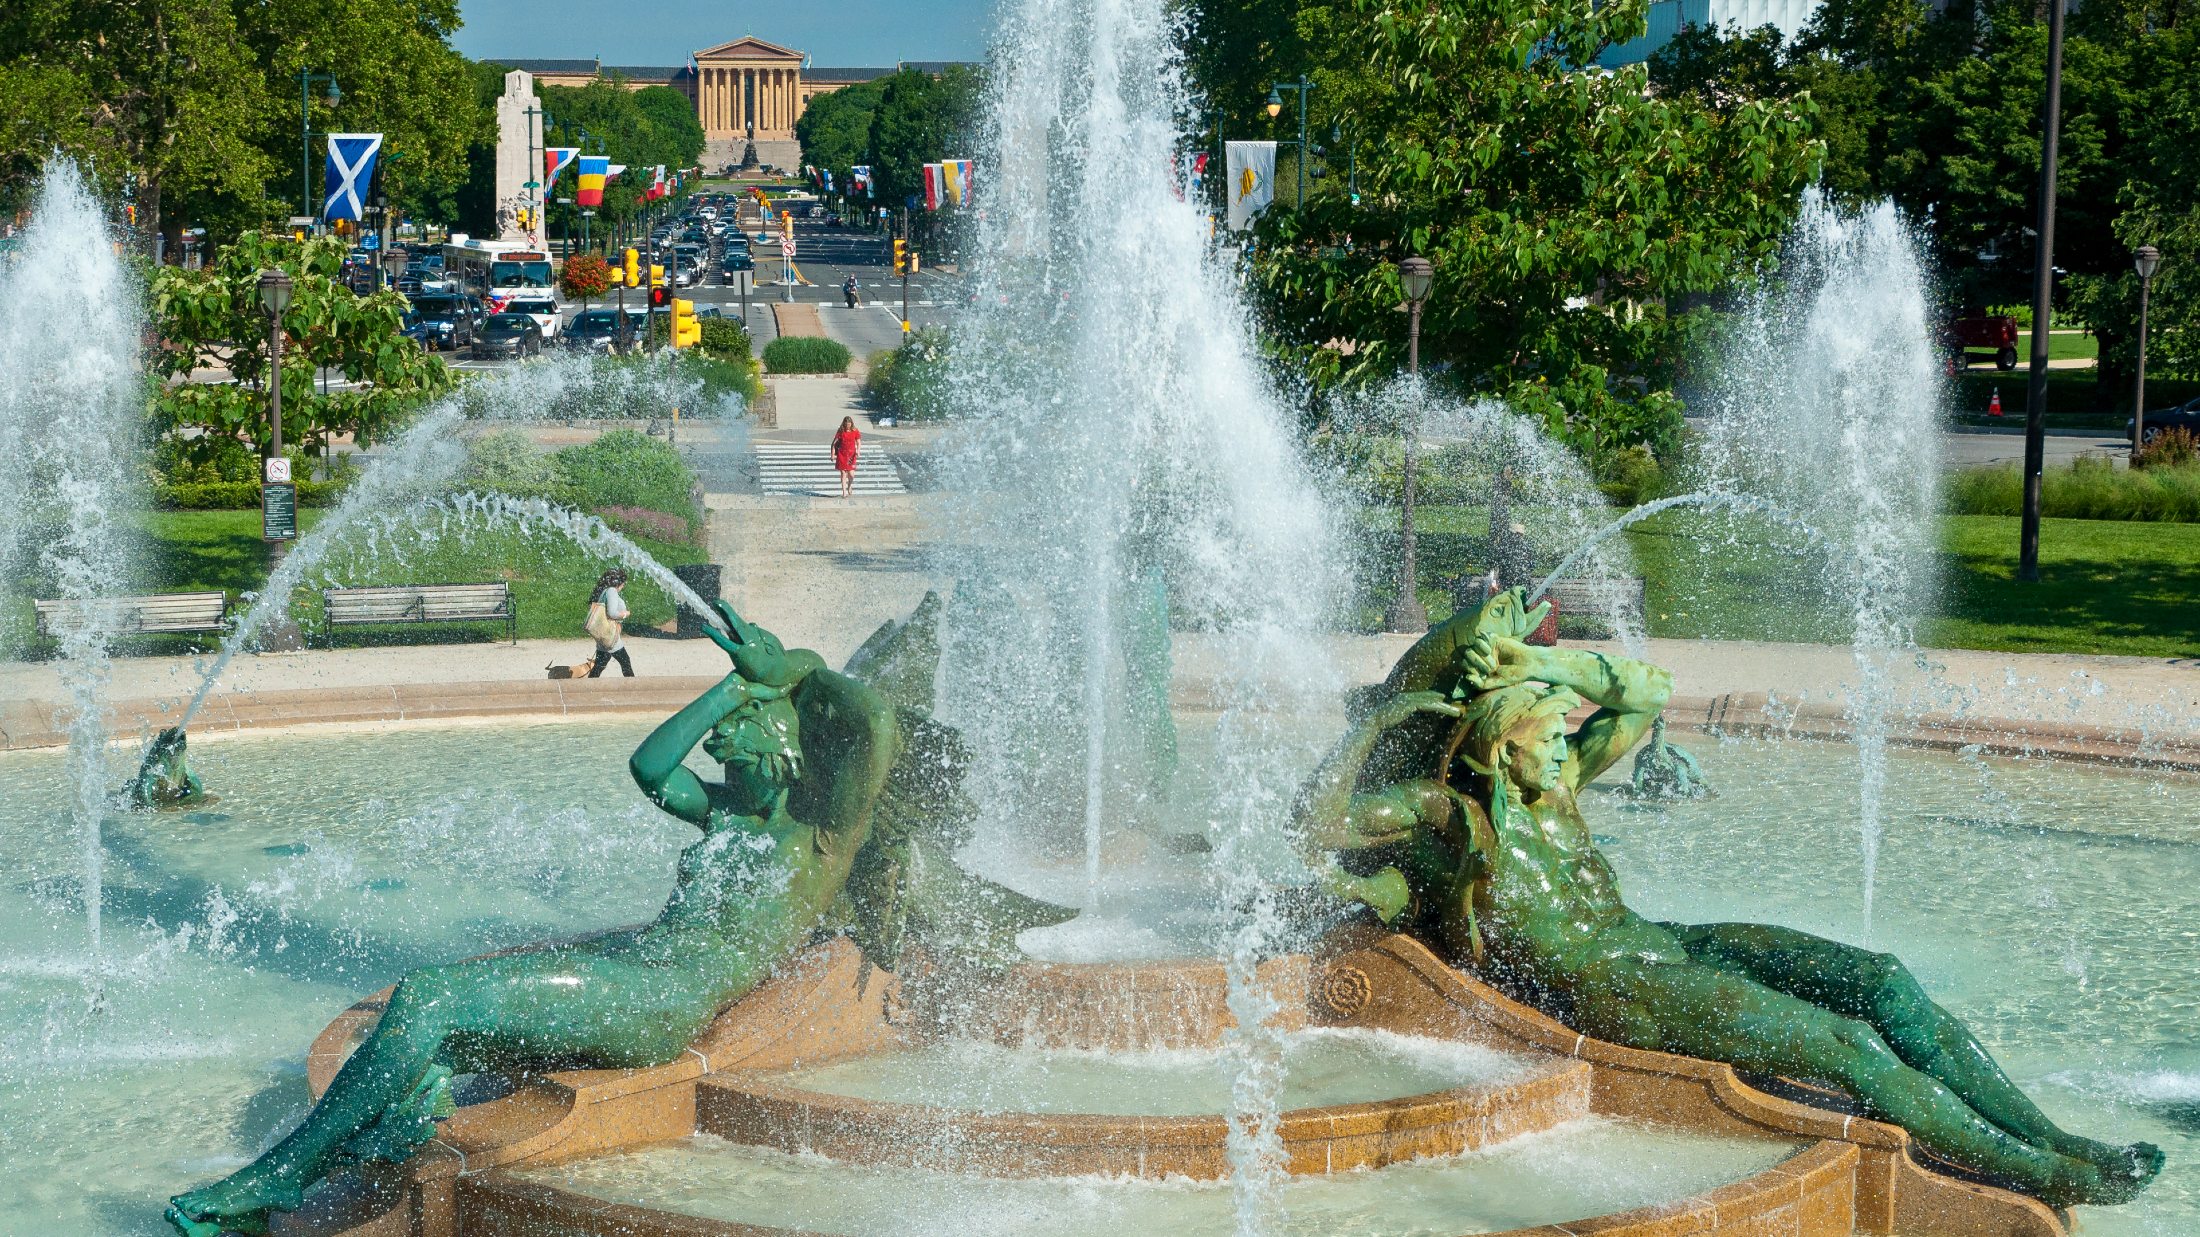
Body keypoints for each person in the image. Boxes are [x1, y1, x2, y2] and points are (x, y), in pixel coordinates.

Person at [1294, 589, 2162, 1209]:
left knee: (1885, 979)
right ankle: (2037, 1173)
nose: (1565, 743)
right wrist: (1387, 715)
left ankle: (2053, 1136)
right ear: (1495, 748)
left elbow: (1649, 692)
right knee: (1850, 1046)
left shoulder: (1558, 790)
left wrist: (1545, 660)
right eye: (1546, 732)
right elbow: (1318, 822)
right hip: (1614, 986)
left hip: (1663, 942)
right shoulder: (1456, 822)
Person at [586, 569, 633, 677]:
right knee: (625, 662)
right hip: (610, 635)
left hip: (604, 633)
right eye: (623, 583)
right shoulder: (612, 591)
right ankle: (633, 688)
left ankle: (589, 687)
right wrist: (625, 614)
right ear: (618, 582)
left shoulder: (605, 590)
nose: (623, 586)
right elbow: (612, 613)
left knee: (600, 664)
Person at [831, 415, 861, 499]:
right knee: (843, 473)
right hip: (842, 455)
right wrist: (832, 454)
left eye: (849, 424)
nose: (848, 426)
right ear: (844, 424)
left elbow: (858, 442)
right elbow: (834, 444)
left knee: (851, 475)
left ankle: (849, 485)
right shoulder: (841, 431)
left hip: (851, 455)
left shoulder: (855, 431)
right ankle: (844, 492)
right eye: (846, 424)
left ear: (851, 424)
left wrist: (858, 451)